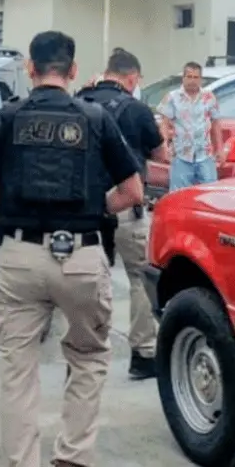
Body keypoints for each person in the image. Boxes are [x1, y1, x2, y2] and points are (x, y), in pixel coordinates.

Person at [0, 30, 145, 467]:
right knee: (87, 358)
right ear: (73, 70)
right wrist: (96, 209)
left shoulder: (4, 119)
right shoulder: (96, 119)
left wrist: (5, 219)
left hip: (19, 257)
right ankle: (73, 458)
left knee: (17, 370)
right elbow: (134, 191)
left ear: (30, 68)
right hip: (81, 257)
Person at [74, 48, 167, 380]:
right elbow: (161, 155)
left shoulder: (78, 102)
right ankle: (143, 353)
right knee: (140, 277)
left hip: (82, 207)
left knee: (83, 279)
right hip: (126, 203)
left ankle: (82, 351)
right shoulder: (137, 109)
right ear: (132, 78)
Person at [157, 61, 223, 191]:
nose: (192, 80)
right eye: (189, 77)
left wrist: (219, 148)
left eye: (196, 77)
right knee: (179, 195)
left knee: (210, 193)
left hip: (204, 155)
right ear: (183, 78)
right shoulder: (172, 98)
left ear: (200, 79)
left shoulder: (209, 97)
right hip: (181, 155)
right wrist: (164, 145)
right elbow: (164, 124)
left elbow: (216, 123)